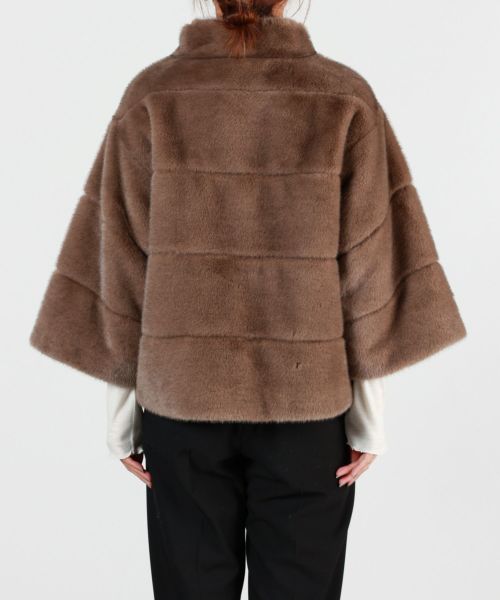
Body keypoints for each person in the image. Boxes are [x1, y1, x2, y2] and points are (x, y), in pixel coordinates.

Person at [30, 1, 466, 598]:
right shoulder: (342, 98)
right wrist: (369, 419)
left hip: (181, 408)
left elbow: (121, 264)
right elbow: (368, 268)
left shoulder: (153, 95)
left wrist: (120, 417)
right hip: (306, 413)